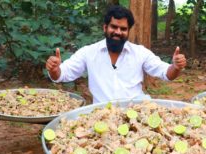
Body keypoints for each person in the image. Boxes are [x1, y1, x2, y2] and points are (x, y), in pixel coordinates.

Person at [46, 5, 186, 104]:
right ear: (105, 27)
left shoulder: (140, 52)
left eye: (123, 29)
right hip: (102, 114)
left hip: (136, 112)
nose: (118, 32)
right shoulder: (88, 52)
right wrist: (54, 69)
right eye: (114, 27)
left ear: (128, 31)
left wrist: (175, 66)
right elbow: (62, 74)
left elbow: (166, 73)